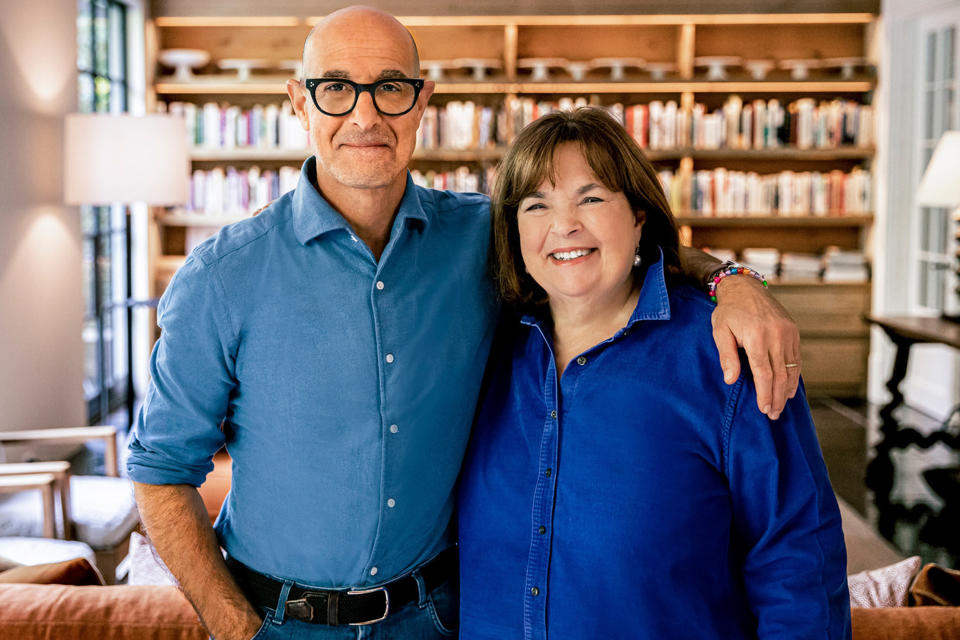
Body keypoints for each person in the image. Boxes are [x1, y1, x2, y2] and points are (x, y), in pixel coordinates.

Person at [128, 7, 802, 640]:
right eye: (336, 88)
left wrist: (734, 282)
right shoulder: (222, 278)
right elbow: (160, 471)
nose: (365, 113)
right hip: (279, 619)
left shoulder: (485, 234)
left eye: (390, 87)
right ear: (299, 102)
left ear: (422, 101)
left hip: (439, 618)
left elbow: (598, 245)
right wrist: (234, 627)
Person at [457, 107, 850, 639]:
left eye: (591, 198)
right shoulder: (480, 348)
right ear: (513, 229)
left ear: (639, 215)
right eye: (536, 204)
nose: (564, 224)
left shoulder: (725, 352)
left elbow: (799, 560)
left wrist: (735, 281)